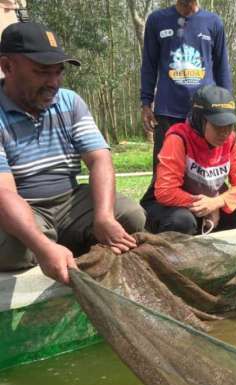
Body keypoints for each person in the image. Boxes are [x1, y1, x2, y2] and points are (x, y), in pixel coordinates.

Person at [0, 22, 146, 285]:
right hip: (24, 206)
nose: (53, 83)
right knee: (12, 247)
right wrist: (42, 247)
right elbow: (4, 194)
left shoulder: (69, 101)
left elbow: (99, 158)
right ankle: (53, 246)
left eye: (58, 72)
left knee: (130, 216)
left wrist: (103, 216)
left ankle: (63, 242)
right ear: (7, 66)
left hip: (71, 201)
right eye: (42, 72)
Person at [143, 85, 236, 235]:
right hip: (172, 206)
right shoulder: (178, 139)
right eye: (218, 125)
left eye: (229, 125)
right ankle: (198, 227)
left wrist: (217, 203)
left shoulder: (231, 140)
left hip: (210, 204)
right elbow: (166, 192)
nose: (224, 132)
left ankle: (207, 227)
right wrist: (205, 205)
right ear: (200, 120)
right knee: (182, 223)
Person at [140, 0, 232, 197]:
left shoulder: (213, 22)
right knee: (163, 170)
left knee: (204, 171)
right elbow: (149, 64)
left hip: (205, 114)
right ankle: (160, 216)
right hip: (167, 111)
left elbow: (222, 67)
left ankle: (208, 213)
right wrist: (146, 102)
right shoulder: (157, 20)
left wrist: (227, 107)